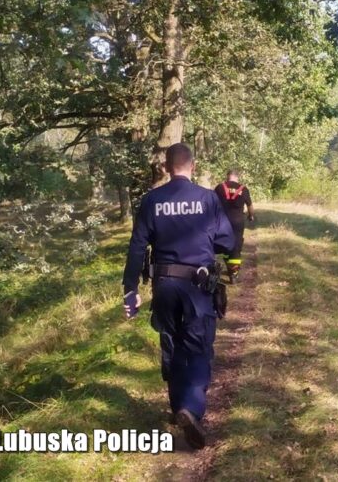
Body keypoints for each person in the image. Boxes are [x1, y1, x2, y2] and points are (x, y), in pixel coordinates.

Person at [122, 143, 234, 450]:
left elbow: (137, 247)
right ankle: (191, 409)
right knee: (197, 347)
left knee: (170, 341)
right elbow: (226, 241)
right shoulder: (208, 198)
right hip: (198, 286)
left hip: (164, 285)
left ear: (165, 168)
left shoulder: (151, 200)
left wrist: (130, 289)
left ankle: (177, 407)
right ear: (192, 166)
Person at [214, 170, 255, 283]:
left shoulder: (220, 187)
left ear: (227, 177)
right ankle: (233, 274)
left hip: (222, 221)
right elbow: (250, 206)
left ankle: (228, 268)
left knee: (224, 244)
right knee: (236, 247)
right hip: (237, 222)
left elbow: (212, 203)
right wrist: (251, 216)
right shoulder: (244, 189)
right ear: (237, 177)